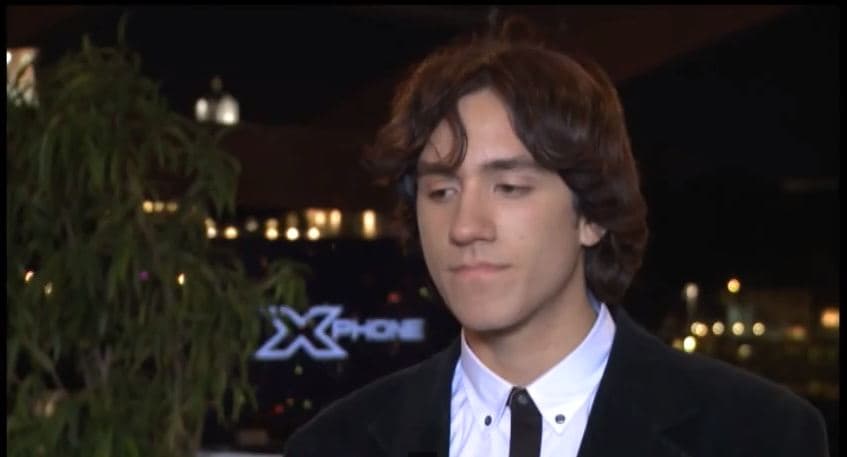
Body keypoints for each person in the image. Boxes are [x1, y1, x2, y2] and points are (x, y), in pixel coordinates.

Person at [283, 16, 829, 457]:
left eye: (510, 188)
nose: (465, 227)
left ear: (591, 214)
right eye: (441, 191)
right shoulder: (334, 444)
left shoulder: (758, 434)